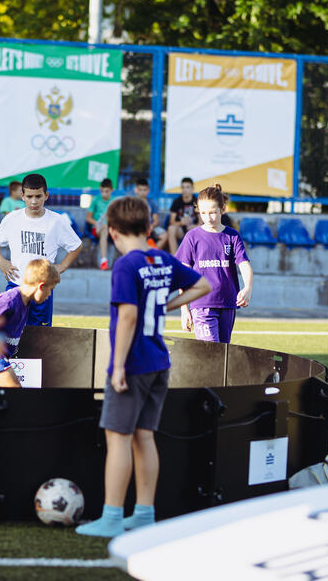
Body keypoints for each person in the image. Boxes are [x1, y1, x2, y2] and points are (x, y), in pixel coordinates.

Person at [76, 197, 209, 538]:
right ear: (150, 228)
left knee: (118, 438)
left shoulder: (125, 264)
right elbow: (203, 285)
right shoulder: (162, 258)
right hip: (158, 361)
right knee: (144, 436)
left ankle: (111, 517)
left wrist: (117, 365)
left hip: (133, 362)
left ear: (113, 231)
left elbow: (129, 315)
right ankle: (145, 512)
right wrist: (168, 303)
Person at [0, 173, 82, 327]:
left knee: (40, 337)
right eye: (30, 196)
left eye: (38, 196)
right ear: (22, 195)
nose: (34, 201)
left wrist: (62, 266)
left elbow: (76, 245)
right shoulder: (12, 218)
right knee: (10, 331)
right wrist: (1, 261)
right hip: (16, 285)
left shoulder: (57, 221)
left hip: (42, 288)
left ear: (46, 195)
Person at [0, 259, 60, 388]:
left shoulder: (27, 302)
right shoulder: (10, 300)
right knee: (16, 391)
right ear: (41, 286)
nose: (49, 295)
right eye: (50, 290)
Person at [175, 185, 253, 343]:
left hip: (227, 303)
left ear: (222, 209)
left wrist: (248, 287)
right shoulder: (192, 237)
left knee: (222, 357)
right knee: (211, 354)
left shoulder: (232, 236)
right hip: (201, 304)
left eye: (212, 212)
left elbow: (244, 263)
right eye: (203, 213)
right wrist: (184, 309)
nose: (208, 218)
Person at [87, 178, 114, 270]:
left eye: (106, 191)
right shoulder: (95, 200)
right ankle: (103, 260)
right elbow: (88, 218)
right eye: (102, 191)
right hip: (97, 228)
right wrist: (97, 223)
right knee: (104, 228)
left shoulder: (114, 201)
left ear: (111, 190)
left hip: (111, 228)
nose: (104, 194)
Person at [133, 177, 166, 249]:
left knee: (165, 235)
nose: (142, 192)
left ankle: (153, 253)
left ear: (148, 190)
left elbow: (156, 220)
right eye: (140, 190)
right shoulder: (132, 203)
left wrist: (151, 226)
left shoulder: (151, 203)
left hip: (150, 227)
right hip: (136, 228)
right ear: (136, 190)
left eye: (144, 190)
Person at [166, 177, 197, 254]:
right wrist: (181, 223)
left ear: (192, 188)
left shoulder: (197, 202)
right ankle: (175, 259)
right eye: (183, 187)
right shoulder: (177, 202)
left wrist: (195, 226)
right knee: (171, 229)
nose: (185, 190)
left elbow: (201, 223)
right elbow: (171, 222)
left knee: (193, 230)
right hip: (180, 230)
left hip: (192, 229)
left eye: (187, 187)